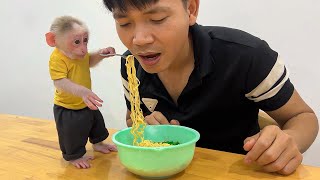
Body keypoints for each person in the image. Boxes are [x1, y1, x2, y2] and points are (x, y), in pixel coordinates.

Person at [102, 0, 319, 175]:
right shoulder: (131, 63)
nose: (139, 40)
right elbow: (133, 119)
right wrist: (145, 126)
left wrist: (291, 141)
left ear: (191, 10)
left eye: (157, 19)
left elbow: (304, 117)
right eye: (124, 23)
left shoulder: (246, 57)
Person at [45, 15, 117, 169]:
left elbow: (89, 61)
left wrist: (101, 54)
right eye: (76, 42)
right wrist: (82, 91)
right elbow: (60, 82)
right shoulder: (57, 59)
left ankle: (98, 143)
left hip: (85, 101)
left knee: (96, 124)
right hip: (67, 107)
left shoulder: (79, 54)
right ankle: (74, 156)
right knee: (72, 133)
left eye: (85, 40)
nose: (83, 48)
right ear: (54, 40)